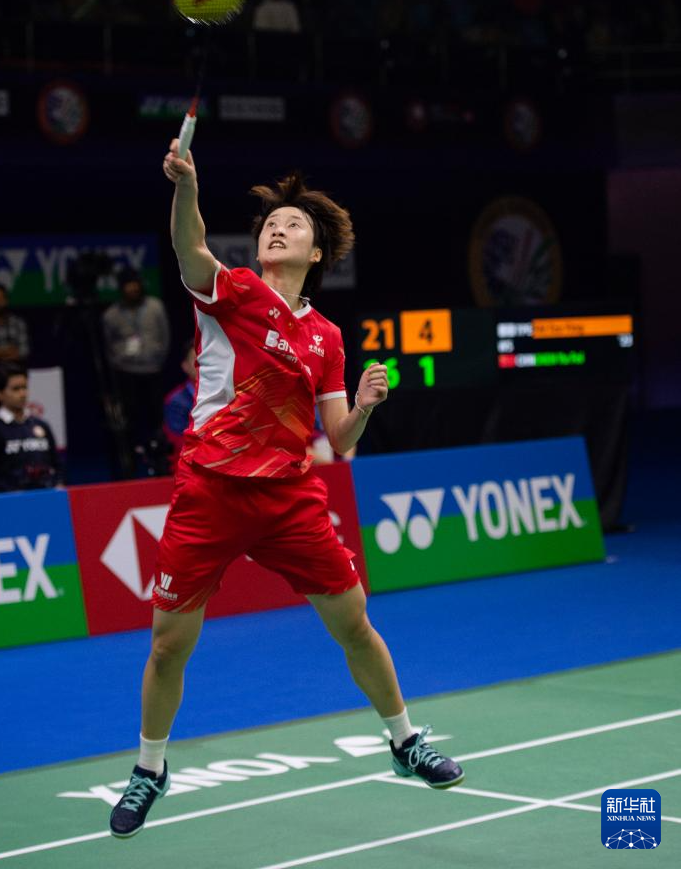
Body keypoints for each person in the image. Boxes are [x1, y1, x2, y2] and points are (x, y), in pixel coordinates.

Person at [109, 142, 464, 839]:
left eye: (293, 224)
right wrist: (187, 186)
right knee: (168, 644)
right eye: (271, 223)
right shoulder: (233, 291)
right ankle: (149, 768)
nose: (278, 228)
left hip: (287, 498)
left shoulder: (326, 337)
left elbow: (339, 436)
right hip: (210, 489)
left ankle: (404, 740)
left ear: (316, 252)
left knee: (354, 623)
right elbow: (189, 247)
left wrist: (363, 406)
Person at [102, 267, 170, 470]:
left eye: (135, 284)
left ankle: (159, 461)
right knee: (129, 422)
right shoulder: (111, 315)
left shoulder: (155, 307)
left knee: (156, 420)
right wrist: (122, 361)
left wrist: (156, 358)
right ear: (122, 288)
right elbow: (108, 346)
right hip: (126, 375)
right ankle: (129, 464)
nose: (133, 288)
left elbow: (165, 336)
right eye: (128, 285)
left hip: (153, 372)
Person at [0, 362, 62, 493]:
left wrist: (58, 484)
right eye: (16, 389)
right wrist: (12, 493)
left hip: (46, 498)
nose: (23, 393)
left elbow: (57, 466)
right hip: (9, 503)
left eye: (24, 387)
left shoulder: (42, 426)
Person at [162, 341, 197, 471]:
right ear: (185, 366)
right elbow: (183, 444)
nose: (203, 365)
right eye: (196, 360)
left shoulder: (225, 393)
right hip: (190, 471)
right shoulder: (176, 401)